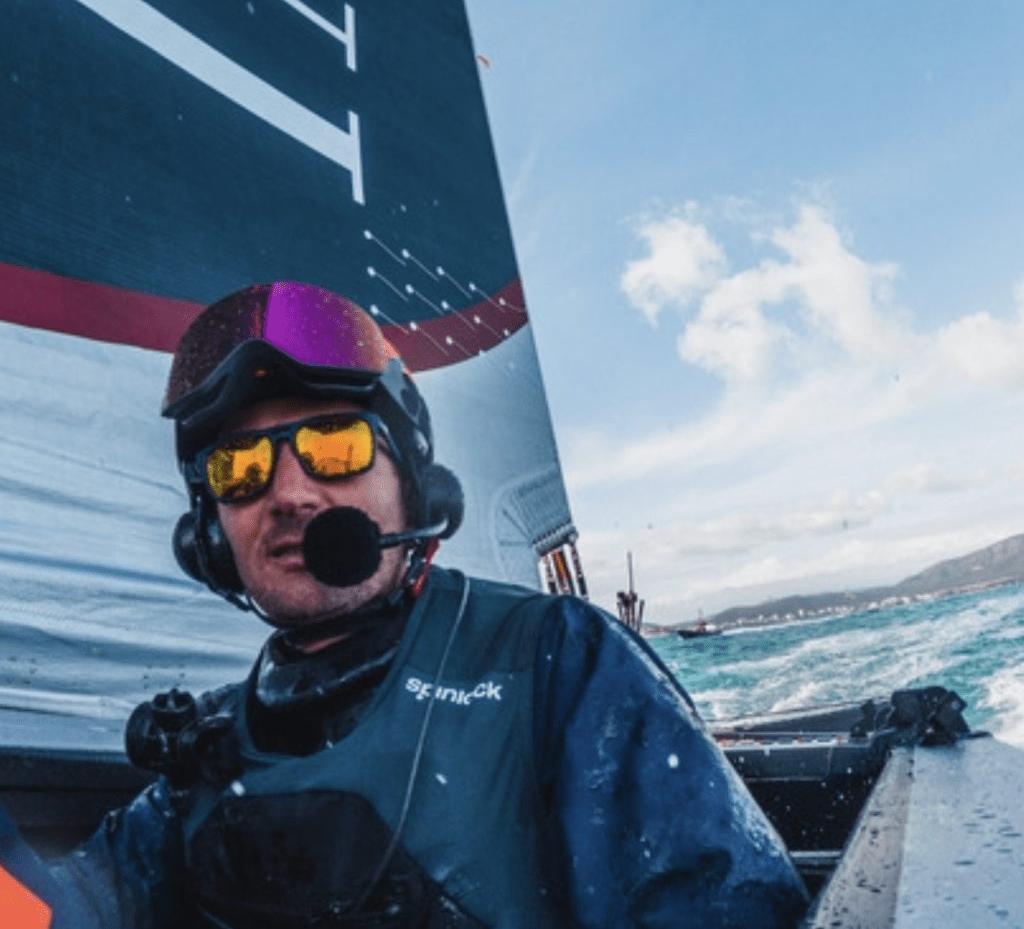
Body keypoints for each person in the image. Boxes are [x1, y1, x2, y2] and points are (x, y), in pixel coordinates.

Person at [8, 282, 809, 927]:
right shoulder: (205, 750)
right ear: (209, 533)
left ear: (411, 485)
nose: (288, 491)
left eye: (334, 445)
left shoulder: (556, 659)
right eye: (240, 468)